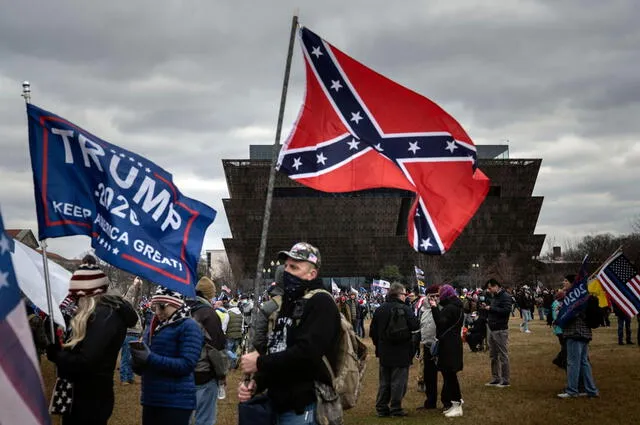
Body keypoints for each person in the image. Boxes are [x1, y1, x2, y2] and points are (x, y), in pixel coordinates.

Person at [238, 242, 341, 424]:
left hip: (302, 406)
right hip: (277, 402)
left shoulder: (321, 302)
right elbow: (278, 348)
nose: (287, 272)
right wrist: (258, 383)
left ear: (312, 274)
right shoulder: (288, 302)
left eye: (294, 267)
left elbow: (307, 354)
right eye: (286, 266)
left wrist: (260, 362)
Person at [46, 255, 138, 425]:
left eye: (77, 297)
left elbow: (87, 360)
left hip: (90, 400)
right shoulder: (100, 315)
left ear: (87, 295)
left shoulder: (106, 316)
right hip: (84, 395)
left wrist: (58, 355)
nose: (75, 302)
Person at [131, 286, 204, 425]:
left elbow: (187, 364)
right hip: (151, 398)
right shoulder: (154, 325)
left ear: (175, 304)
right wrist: (136, 360)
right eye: (155, 307)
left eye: (162, 307)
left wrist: (150, 358)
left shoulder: (189, 326)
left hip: (176, 401)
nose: (157, 312)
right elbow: (146, 361)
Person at [370, 282, 420, 417]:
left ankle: (381, 408)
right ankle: (396, 408)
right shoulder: (405, 309)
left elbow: (373, 332)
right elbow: (415, 326)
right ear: (399, 294)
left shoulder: (380, 309)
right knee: (399, 382)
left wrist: (379, 345)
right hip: (402, 351)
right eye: (405, 294)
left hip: (384, 351)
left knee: (384, 382)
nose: (406, 296)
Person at [186, 277, 226, 425]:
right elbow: (216, 349)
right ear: (209, 294)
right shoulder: (209, 314)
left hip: (183, 372)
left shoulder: (183, 310)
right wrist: (222, 374)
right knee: (205, 420)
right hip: (204, 374)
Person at [557, 275, 599, 398]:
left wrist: (563, 312)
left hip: (575, 332)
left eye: (566, 281)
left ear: (572, 283)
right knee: (584, 362)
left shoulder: (575, 297)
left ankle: (572, 390)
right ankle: (591, 390)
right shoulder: (583, 296)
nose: (563, 282)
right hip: (584, 333)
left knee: (573, 363)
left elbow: (573, 316)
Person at [429, 284, 464, 417]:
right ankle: (455, 403)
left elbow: (440, 322)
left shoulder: (450, 308)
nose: (438, 296)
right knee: (449, 376)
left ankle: (456, 404)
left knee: (450, 376)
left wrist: (433, 307)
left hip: (449, 346)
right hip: (453, 344)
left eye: (440, 293)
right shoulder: (456, 306)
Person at [483, 278, 513, 388]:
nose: (489, 290)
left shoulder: (505, 296)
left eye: (490, 288)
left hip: (500, 329)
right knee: (493, 355)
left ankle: (505, 380)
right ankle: (495, 378)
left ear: (496, 286)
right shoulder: (494, 297)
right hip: (492, 328)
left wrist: (491, 308)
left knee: (503, 355)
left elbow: (506, 311)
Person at [418, 284, 439, 410]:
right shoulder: (424, 310)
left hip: (439, 345)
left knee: (446, 374)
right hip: (426, 345)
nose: (434, 298)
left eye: (437, 296)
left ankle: (448, 401)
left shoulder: (442, 308)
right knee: (428, 376)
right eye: (431, 296)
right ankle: (430, 402)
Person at [120, 276, 143, 385]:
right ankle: (124, 378)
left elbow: (137, 298)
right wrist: (133, 286)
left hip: (136, 334)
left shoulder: (135, 308)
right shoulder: (125, 306)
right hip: (129, 334)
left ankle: (130, 376)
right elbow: (129, 298)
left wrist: (139, 288)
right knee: (126, 357)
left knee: (132, 358)